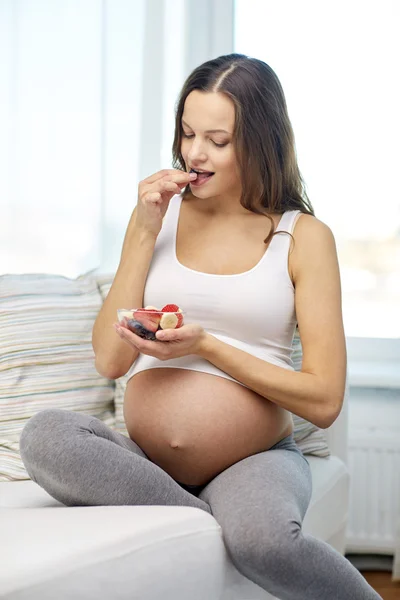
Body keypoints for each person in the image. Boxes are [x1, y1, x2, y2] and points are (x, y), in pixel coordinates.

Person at [20, 53, 382, 599]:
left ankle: (210, 519)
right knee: (44, 435)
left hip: (252, 459)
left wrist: (208, 346)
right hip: (145, 462)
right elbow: (110, 361)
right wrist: (143, 231)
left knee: (266, 544)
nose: (194, 152)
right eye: (188, 133)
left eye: (218, 139)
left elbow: (324, 400)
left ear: (261, 143)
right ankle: (209, 517)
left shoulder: (301, 237)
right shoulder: (157, 217)